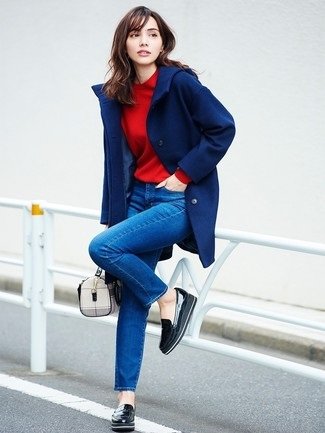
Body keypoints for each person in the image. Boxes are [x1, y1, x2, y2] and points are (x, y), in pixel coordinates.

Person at [88, 5, 235, 432]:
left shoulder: (181, 84)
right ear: (124, 44)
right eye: (136, 35)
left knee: (103, 248)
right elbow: (115, 162)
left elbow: (222, 128)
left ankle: (168, 298)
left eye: (152, 34)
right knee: (133, 297)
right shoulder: (116, 94)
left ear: (162, 40)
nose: (145, 41)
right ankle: (126, 401)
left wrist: (184, 174)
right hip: (137, 200)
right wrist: (115, 213)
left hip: (176, 202)